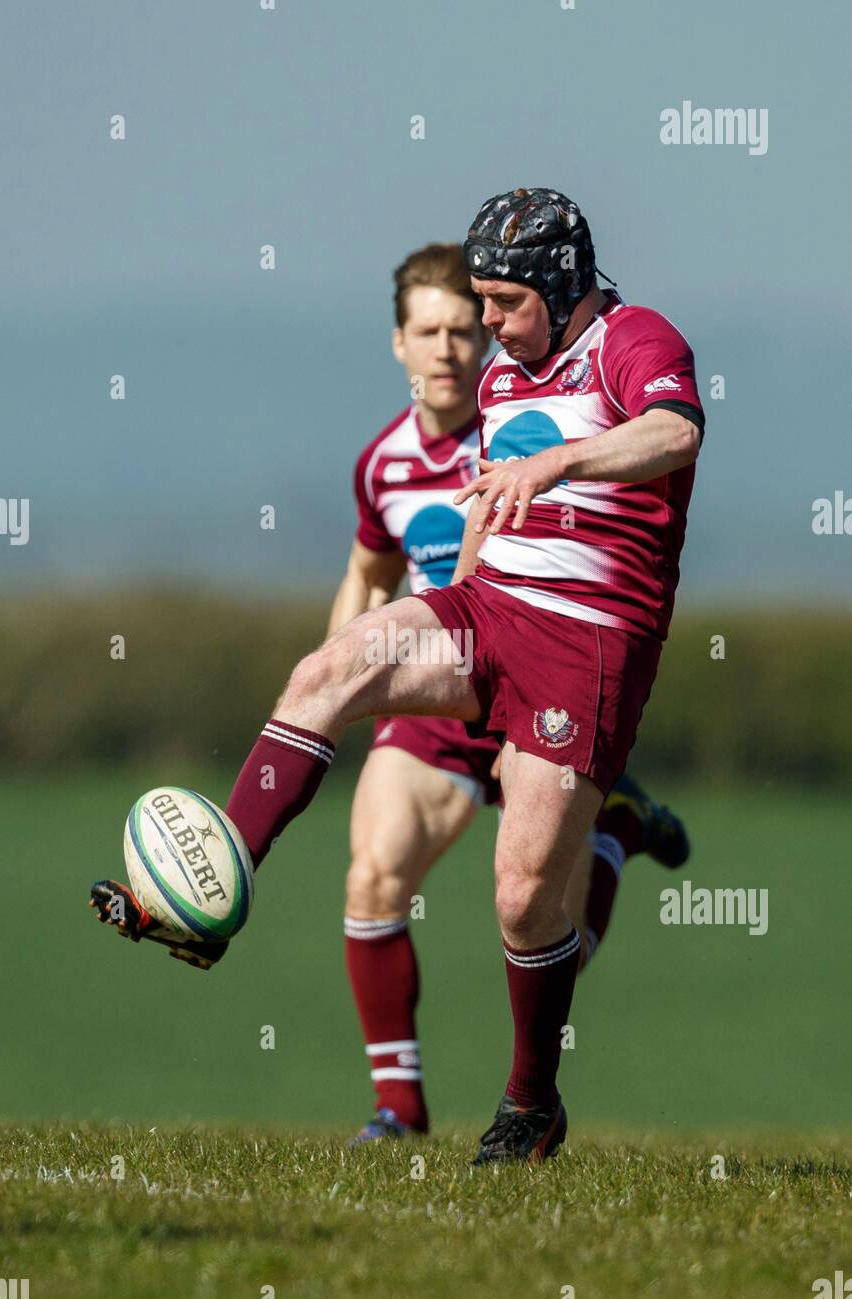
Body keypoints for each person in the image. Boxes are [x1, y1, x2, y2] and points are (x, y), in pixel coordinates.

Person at [90, 188, 703, 1165]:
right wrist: (444, 619)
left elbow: (673, 434)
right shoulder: (505, 376)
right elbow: (478, 508)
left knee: (523, 898)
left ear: (555, 283)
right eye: (473, 307)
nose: (486, 328)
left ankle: (529, 1102)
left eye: (500, 303)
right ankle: (213, 895)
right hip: (487, 610)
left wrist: (560, 466)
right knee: (331, 665)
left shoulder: (633, 338)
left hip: (587, 640)